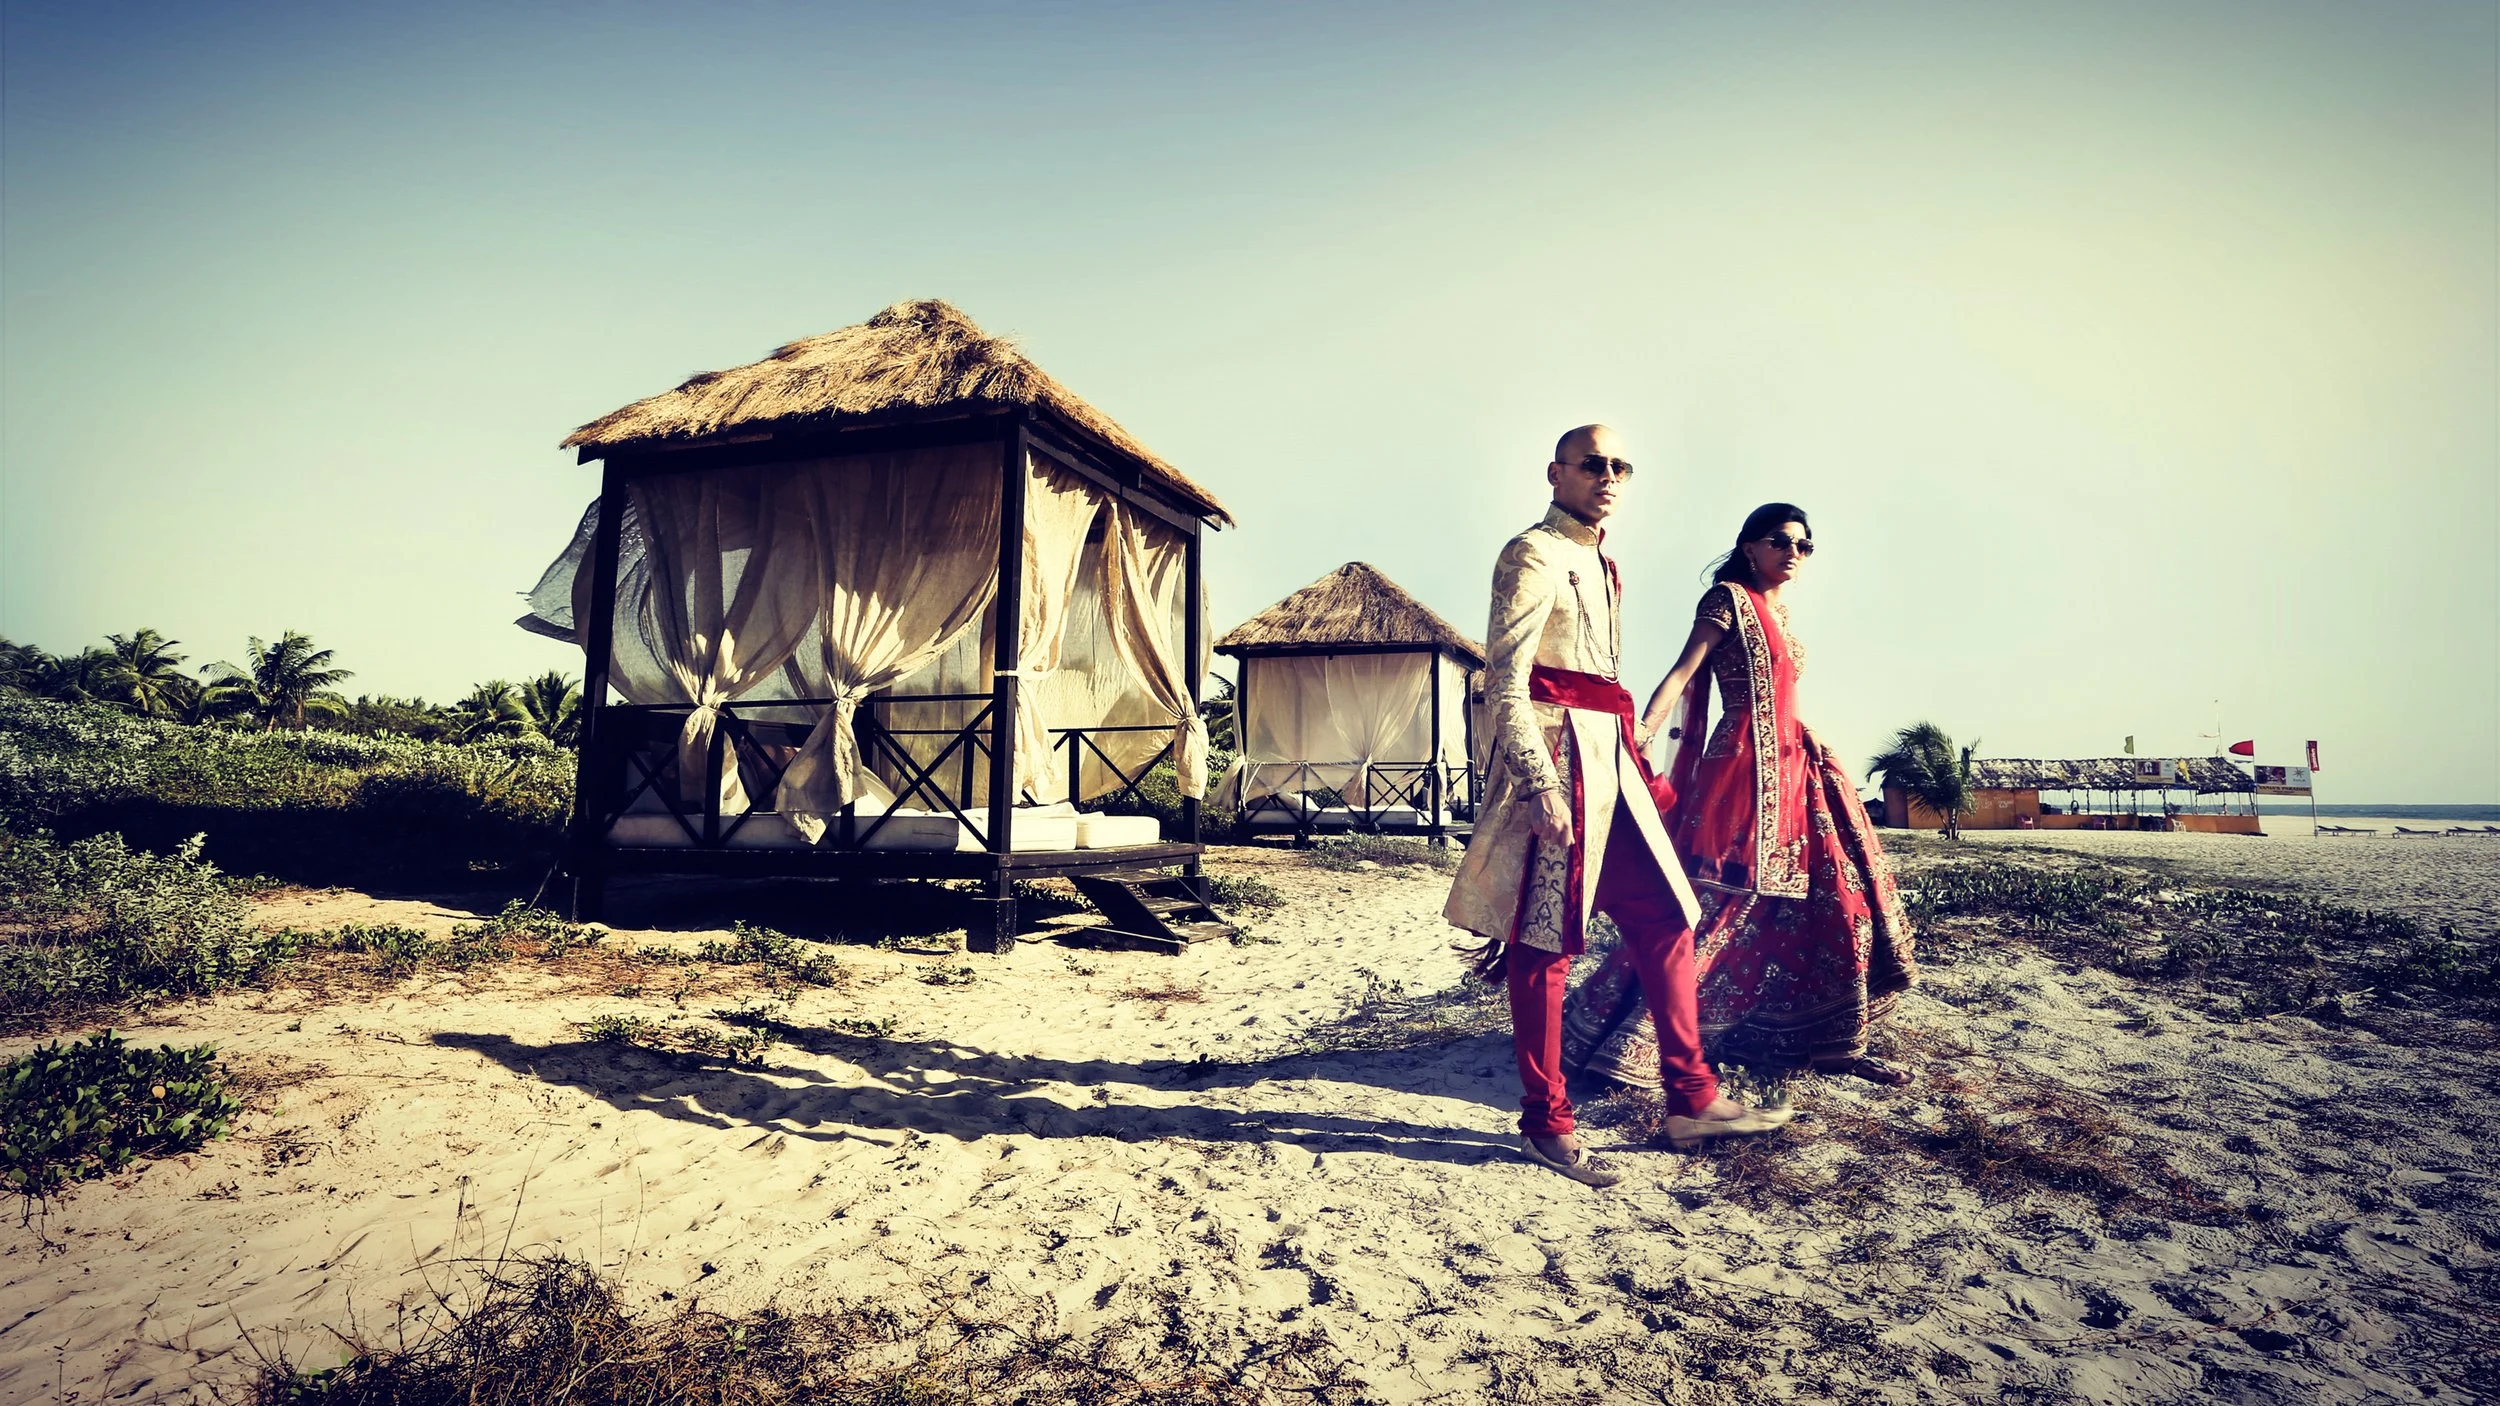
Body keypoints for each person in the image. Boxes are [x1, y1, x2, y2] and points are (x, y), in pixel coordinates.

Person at [1445, 426, 1791, 1188]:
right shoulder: (1531, 552)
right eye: (1592, 463)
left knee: (1668, 914)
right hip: (1560, 758)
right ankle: (1546, 1125)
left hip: (1612, 757)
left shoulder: (1600, 560)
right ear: (1556, 474)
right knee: (1546, 943)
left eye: (1619, 466)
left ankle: (1692, 1098)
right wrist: (1539, 783)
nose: (1608, 475)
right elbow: (1504, 677)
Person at [1562, 503, 1917, 1090]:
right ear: (1749, 546)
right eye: (1780, 541)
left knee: (1834, 899)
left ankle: (1827, 1041)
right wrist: (1640, 736)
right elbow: (1682, 673)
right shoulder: (1727, 600)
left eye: (1804, 546)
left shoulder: (1783, 614)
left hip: (1797, 764)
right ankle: (1632, 1039)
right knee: (1717, 901)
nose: (1793, 554)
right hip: (1742, 771)